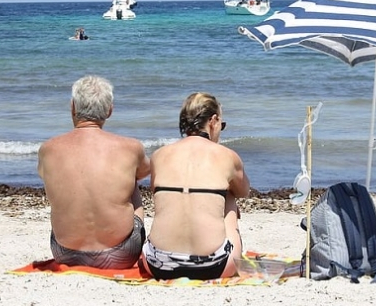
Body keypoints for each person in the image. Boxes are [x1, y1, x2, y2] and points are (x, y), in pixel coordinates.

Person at [37, 75, 151, 269]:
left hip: (64, 253)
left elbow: (44, 175)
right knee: (131, 181)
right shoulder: (131, 147)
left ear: (73, 107)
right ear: (110, 111)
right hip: (122, 254)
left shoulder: (48, 149)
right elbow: (145, 172)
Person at [140, 92, 250, 280]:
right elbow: (243, 192)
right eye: (221, 126)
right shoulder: (227, 156)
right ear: (213, 121)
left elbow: (155, 194)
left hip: (157, 264)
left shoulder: (159, 155)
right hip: (215, 267)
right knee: (229, 195)